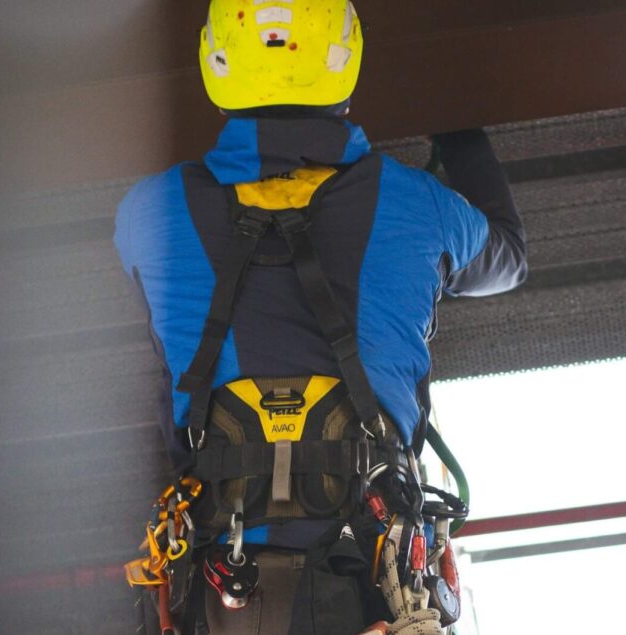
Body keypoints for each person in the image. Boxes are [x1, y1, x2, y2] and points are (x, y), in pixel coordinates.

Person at [115, 1, 526, 633]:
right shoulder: (418, 209)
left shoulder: (148, 217)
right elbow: (509, 257)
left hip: (223, 593)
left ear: (216, 64)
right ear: (345, 59)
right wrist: (452, 119)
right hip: (363, 587)